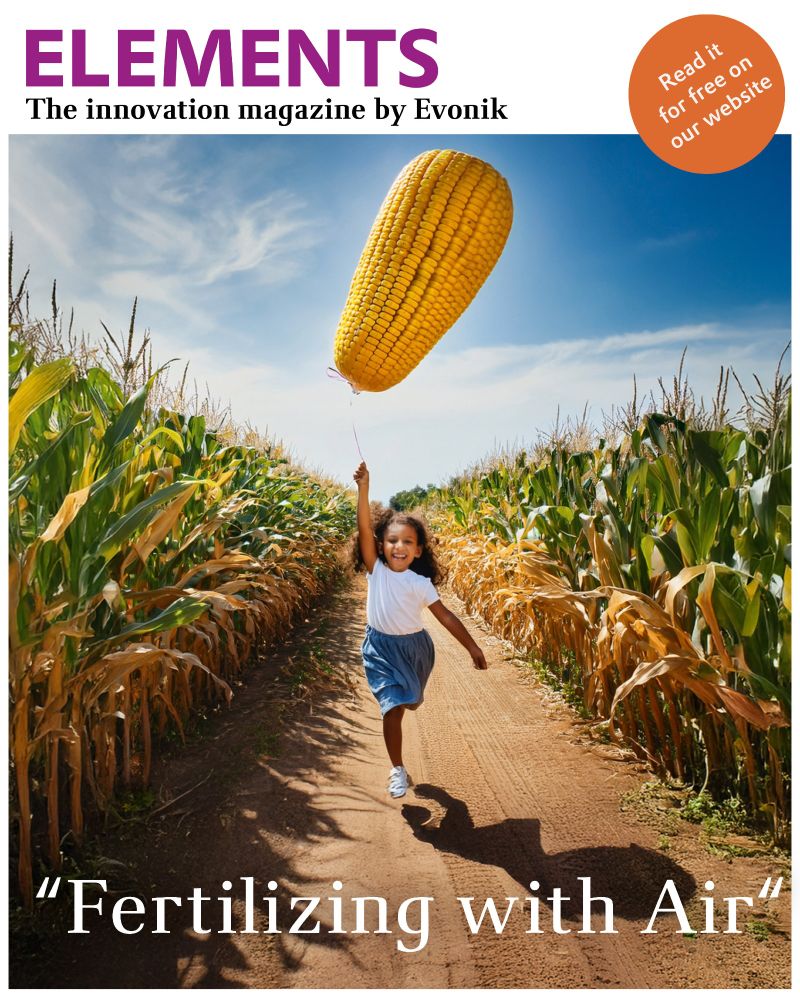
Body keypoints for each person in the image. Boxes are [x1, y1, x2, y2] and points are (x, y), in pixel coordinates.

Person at [352, 460, 488, 799]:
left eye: (407, 542)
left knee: (408, 702)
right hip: (379, 649)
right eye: (392, 540)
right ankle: (397, 768)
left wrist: (472, 647)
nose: (399, 546)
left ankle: (401, 738)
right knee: (392, 706)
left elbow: (445, 617)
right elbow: (364, 524)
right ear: (380, 546)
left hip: (415, 651)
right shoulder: (376, 571)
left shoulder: (420, 583)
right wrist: (364, 488)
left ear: (418, 550)